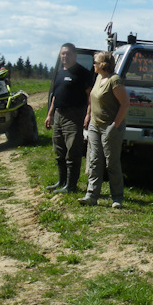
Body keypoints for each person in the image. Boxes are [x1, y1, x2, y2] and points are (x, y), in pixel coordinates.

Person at [78, 51, 129, 209]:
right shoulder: (99, 77)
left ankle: (117, 197)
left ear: (104, 64)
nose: (93, 64)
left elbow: (125, 104)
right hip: (95, 126)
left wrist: (114, 126)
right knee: (94, 160)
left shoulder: (115, 81)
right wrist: (88, 115)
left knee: (111, 162)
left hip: (110, 127)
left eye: (96, 62)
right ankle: (91, 195)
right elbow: (92, 99)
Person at [44, 43, 93, 194]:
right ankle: (61, 181)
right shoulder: (59, 73)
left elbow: (90, 96)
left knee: (72, 150)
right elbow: (55, 96)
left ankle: (71, 186)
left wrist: (88, 114)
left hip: (74, 115)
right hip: (59, 114)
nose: (65, 56)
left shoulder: (82, 73)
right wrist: (50, 114)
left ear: (74, 55)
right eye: (62, 54)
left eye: (68, 54)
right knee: (59, 149)